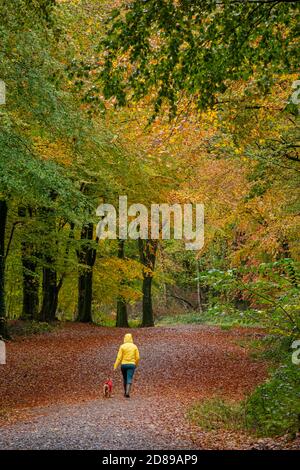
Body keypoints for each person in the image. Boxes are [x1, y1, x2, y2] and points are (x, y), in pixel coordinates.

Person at [114, 333, 140, 398]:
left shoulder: (122, 346)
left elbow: (119, 357)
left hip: (124, 365)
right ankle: (127, 392)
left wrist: (115, 366)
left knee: (125, 378)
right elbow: (138, 357)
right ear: (131, 338)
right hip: (131, 365)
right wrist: (136, 364)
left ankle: (125, 392)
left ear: (124, 338)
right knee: (129, 378)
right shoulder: (134, 346)